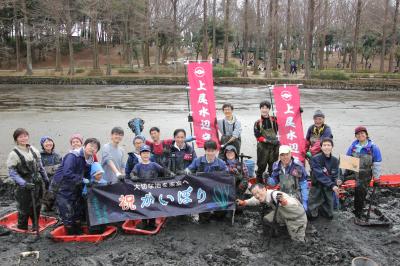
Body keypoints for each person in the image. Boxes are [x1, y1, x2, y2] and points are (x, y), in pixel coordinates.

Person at [51, 138, 99, 235]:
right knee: (67, 211)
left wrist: (90, 181)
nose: (92, 148)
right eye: (91, 146)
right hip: (62, 186)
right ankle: (71, 234)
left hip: (75, 186)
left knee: (77, 210)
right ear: (84, 145)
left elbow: (87, 174)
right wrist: (82, 180)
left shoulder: (90, 159)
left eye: (95, 148)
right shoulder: (73, 156)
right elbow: (67, 173)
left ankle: (78, 232)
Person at [6, 128, 49, 230]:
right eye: (20, 137)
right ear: (16, 139)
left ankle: (35, 226)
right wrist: (24, 183)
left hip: (37, 183)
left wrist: (46, 179)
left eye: (25, 136)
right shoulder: (14, 154)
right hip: (23, 186)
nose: (23, 138)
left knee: (37, 206)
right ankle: (22, 228)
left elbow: (40, 167)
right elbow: (12, 173)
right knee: (24, 208)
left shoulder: (34, 150)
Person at [237, 183, 307, 242]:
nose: (257, 195)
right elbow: (254, 200)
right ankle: (277, 235)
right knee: (267, 219)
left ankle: (292, 233)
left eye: (258, 192)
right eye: (254, 194)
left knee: (297, 241)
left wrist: (284, 202)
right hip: (282, 213)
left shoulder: (275, 195)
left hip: (296, 218)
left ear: (264, 189)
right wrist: (244, 202)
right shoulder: (263, 196)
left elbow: (293, 203)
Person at [186, 140, 228, 222]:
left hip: (216, 191)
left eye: (213, 151)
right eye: (208, 151)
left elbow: (227, 176)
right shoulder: (198, 161)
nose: (210, 153)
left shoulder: (221, 163)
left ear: (216, 151)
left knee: (220, 215)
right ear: (205, 151)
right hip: (202, 192)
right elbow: (188, 170)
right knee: (204, 218)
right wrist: (185, 172)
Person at [344, 126, 382, 219]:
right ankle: (352, 206)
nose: (360, 135)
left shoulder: (373, 147)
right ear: (356, 136)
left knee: (360, 192)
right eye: (358, 134)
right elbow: (348, 160)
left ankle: (358, 212)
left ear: (366, 135)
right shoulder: (353, 146)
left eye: (362, 133)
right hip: (354, 171)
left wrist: (376, 178)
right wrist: (343, 175)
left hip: (365, 174)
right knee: (344, 183)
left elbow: (377, 164)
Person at [132, 145, 167, 230]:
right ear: (140, 154)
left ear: (150, 154)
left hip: (153, 191)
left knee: (153, 206)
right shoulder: (138, 166)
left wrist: (169, 174)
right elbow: (132, 173)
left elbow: (163, 171)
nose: (145, 155)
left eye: (147, 153)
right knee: (143, 207)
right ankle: (144, 223)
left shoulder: (154, 165)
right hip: (142, 191)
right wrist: (133, 176)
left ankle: (152, 223)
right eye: (143, 153)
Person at [307, 138, 341, 220]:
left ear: (332, 147)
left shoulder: (335, 160)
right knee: (311, 216)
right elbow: (319, 175)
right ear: (321, 147)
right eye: (324, 145)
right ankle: (314, 210)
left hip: (328, 188)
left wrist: (337, 180)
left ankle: (324, 209)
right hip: (317, 187)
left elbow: (336, 174)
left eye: (329, 145)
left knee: (329, 216)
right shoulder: (315, 159)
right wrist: (332, 185)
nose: (326, 147)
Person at [267, 145, 309, 211]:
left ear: (290, 154)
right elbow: (274, 183)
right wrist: (268, 179)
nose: (285, 157)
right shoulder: (276, 165)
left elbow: (303, 184)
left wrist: (305, 201)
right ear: (279, 156)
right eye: (282, 155)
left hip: (296, 195)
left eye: (287, 154)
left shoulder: (298, 165)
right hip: (283, 194)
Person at [254, 100, 279, 183]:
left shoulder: (275, 120)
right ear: (260, 109)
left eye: (266, 108)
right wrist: (268, 141)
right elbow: (258, 137)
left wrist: (297, 111)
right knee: (261, 166)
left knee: (273, 166)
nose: (264, 110)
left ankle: (272, 182)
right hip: (262, 147)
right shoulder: (257, 123)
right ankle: (259, 183)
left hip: (274, 147)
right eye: (262, 108)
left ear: (269, 109)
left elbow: (287, 121)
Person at [82, 162, 107, 234]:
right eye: (98, 174)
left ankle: (103, 229)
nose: (100, 176)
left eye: (101, 174)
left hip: (101, 205)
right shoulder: (89, 183)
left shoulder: (104, 182)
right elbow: (84, 194)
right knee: (92, 217)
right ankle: (93, 231)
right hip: (92, 205)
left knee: (102, 216)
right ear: (93, 174)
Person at [39, 136, 62, 212]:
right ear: (42, 145)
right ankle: (44, 204)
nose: (48, 143)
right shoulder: (39, 156)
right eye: (46, 142)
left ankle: (56, 205)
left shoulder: (57, 156)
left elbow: (61, 169)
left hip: (55, 179)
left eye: (50, 141)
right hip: (44, 179)